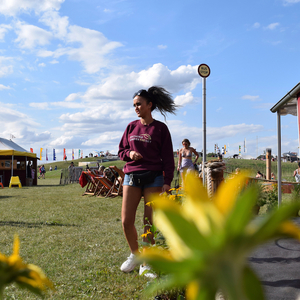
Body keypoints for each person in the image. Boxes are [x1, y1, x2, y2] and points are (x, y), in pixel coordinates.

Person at [118, 86, 176, 277]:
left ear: (149, 105)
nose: (136, 108)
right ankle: (136, 255)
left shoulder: (160, 128)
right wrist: (130, 153)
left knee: (148, 221)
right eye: (134, 105)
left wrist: (167, 181)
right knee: (126, 220)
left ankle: (147, 262)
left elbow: (168, 158)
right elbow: (121, 151)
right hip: (132, 176)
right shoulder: (131, 127)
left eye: (139, 104)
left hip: (154, 177)